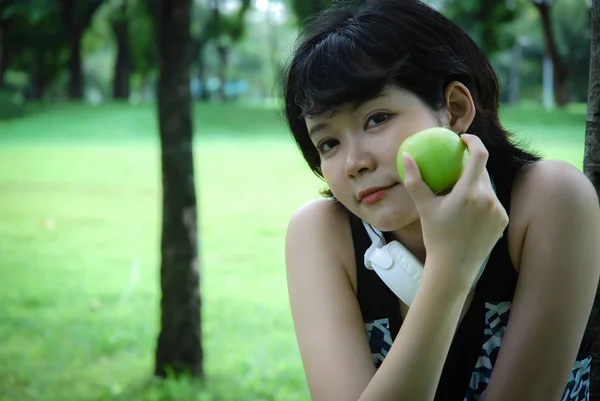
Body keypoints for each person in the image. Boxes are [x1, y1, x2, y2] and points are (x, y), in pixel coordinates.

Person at [279, 1, 600, 400]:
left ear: (454, 109)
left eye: (377, 118)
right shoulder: (322, 234)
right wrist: (450, 268)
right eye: (328, 142)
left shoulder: (551, 200)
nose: (354, 163)